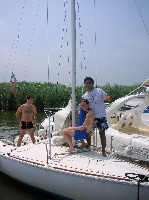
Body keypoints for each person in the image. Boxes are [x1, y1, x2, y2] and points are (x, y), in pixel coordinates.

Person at [82, 77, 111, 157]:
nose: (88, 84)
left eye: (90, 83)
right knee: (88, 132)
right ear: (85, 84)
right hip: (91, 117)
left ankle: (103, 151)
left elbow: (107, 97)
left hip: (101, 116)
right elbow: (83, 106)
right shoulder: (84, 96)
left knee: (102, 133)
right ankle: (88, 145)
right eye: (87, 83)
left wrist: (108, 98)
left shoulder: (99, 91)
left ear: (92, 84)